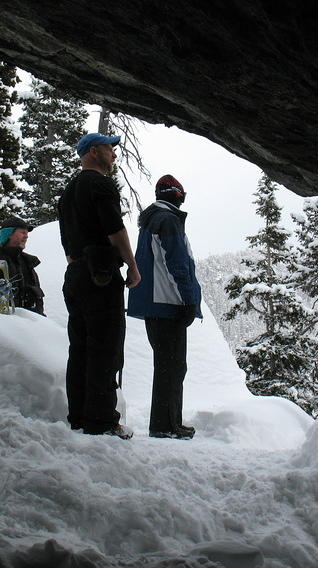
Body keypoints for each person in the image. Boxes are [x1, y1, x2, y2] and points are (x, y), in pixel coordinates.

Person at [57, 132, 141, 439]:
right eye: (109, 148)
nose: (114, 153)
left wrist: (78, 268)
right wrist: (131, 264)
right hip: (101, 272)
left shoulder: (67, 193)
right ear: (93, 152)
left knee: (79, 346)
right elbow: (114, 229)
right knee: (105, 346)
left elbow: (67, 241)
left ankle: (79, 415)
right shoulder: (101, 184)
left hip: (76, 272)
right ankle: (102, 420)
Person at [127, 175, 201, 439]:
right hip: (169, 304)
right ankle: (166, 425)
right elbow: (177, 263)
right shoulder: (168, 220)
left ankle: (166, 422)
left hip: (155, 304)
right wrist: (189, 300)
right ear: (177, 195)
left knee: (167, 365)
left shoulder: (152, 220)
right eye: (182, 193)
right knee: (173, 366)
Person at [0, 215, 45, 315]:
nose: (26, 236)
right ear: (9, 234)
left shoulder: (28, 262)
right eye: (22, 232)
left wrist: (40, 319)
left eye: (27, 233)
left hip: (31, 323)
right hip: (5, 323)